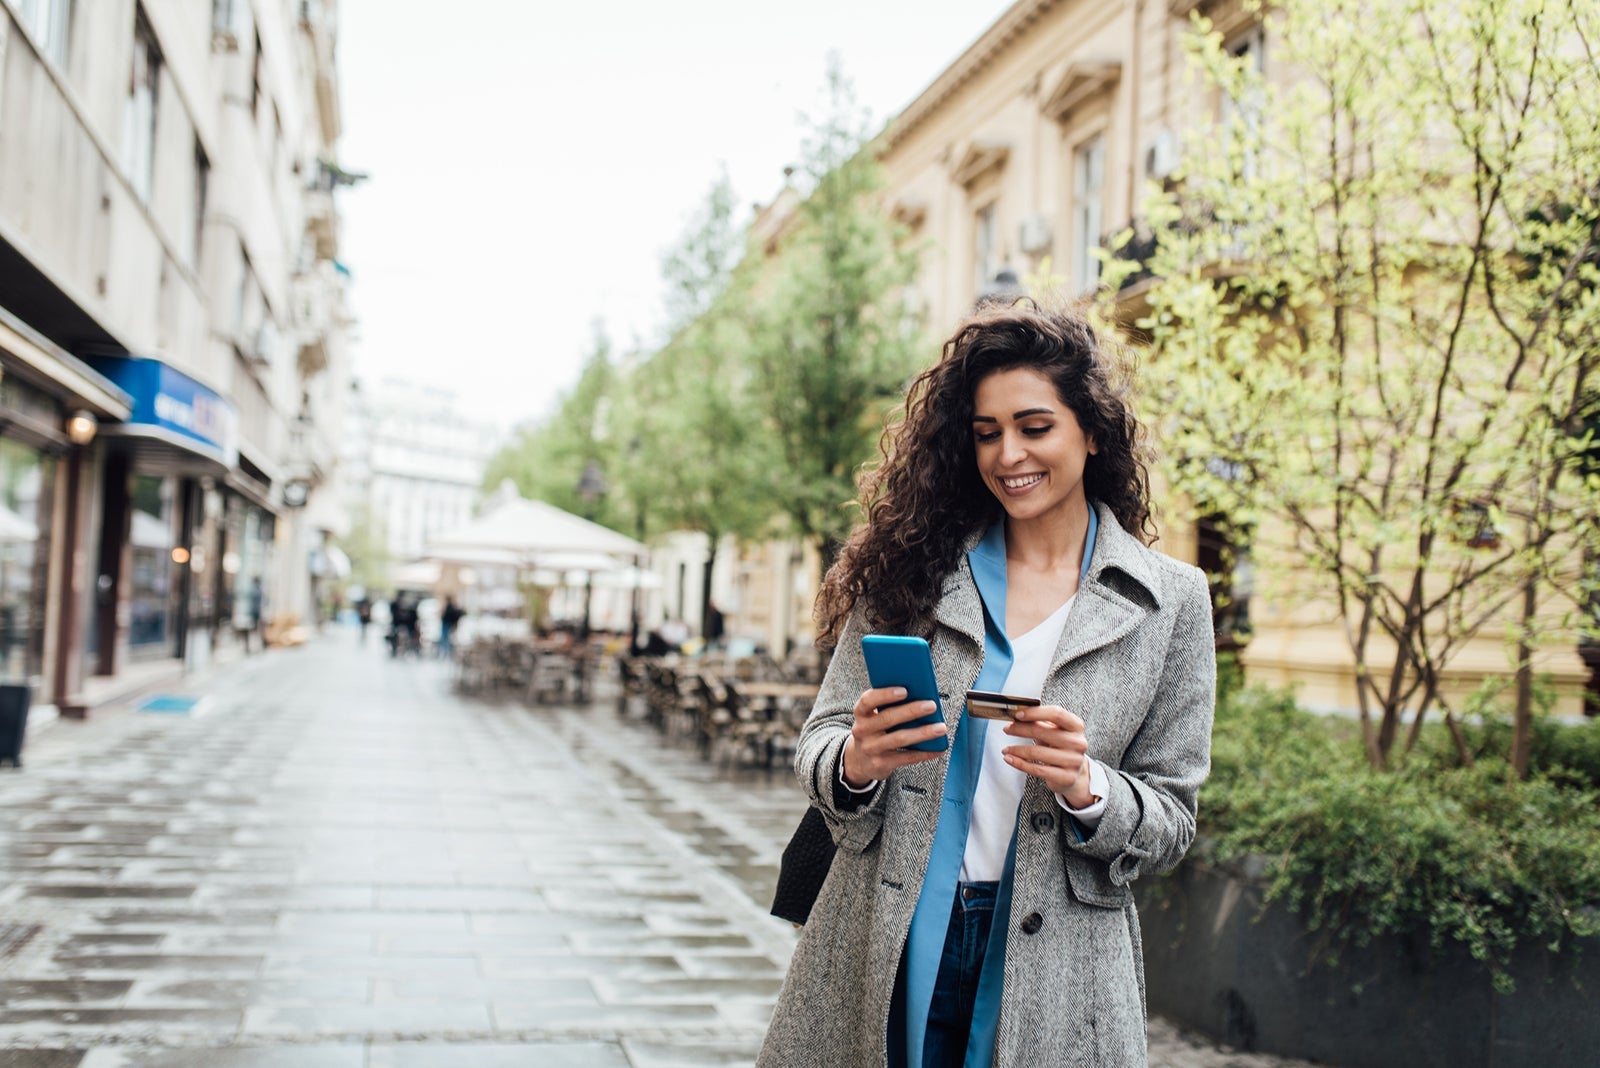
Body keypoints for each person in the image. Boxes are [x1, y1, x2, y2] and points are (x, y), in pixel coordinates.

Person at [758, 304, 1216, 1068]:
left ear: (1091, 431)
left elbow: (1172, 814)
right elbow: (820, 742)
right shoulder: (908, 570)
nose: (1009, 454)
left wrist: (1088, 785)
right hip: (887, 933)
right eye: (986, 433)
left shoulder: (1171, 600)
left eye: (1035, 427)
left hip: (1059, 967)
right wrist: (856, 760)